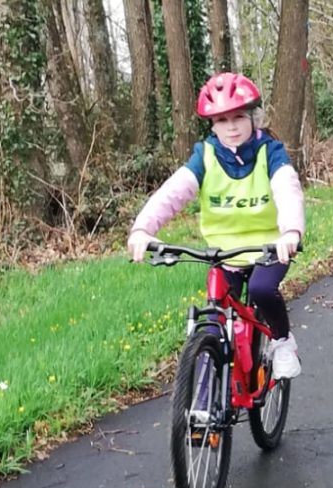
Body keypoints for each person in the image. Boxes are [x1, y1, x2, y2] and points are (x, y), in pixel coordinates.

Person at [127, 72, 304, 379]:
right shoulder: (206, 155)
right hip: (223, 251)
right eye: (222, 120)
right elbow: (174, 191)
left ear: (254, 117)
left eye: (238, 117)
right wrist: (143, 228)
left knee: (262, 289)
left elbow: (286, 188)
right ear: (212, 125)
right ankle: (210, 388)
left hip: (269, 245)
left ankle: (282, 341)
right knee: (215, 316)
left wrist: (290, 231)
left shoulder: (269, 152)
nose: (231, 127)